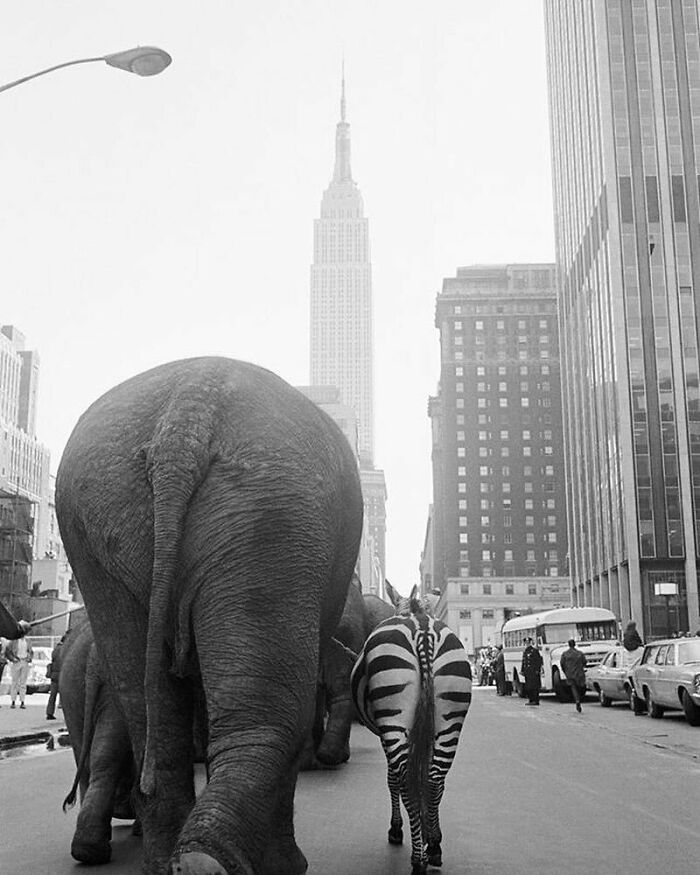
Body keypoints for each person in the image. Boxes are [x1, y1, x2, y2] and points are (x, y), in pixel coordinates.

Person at [6, 633, 33, 709]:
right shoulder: (13, 641)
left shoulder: (28, 641)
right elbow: (8, 651)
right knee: (14, 682)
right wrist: (12, 659)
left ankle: (22, 701)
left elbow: (31, 651)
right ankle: (13, 701)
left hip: (24, 661)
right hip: (16, 661)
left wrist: (29, 658)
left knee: (23, 683)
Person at [560, 638, 587, 713]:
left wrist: (565, 671)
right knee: (580, 687)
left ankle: (577, 700)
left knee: (573, 687)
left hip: (570, 674)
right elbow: (584, 662)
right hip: (579, 673)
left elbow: (562, 664)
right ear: (574, 644)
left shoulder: (565, 654)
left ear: (569, 645)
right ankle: (579, 698)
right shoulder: (580, 653)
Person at [46, 632, 68, 720]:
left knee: (52, 695)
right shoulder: (64, 649)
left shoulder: (56, 649)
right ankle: (67, 715)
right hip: (62, 675)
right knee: (65, 696)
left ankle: (49, 712)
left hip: (54, 675)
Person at [521, 637, 543, 705]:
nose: (527, 644)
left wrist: (537, 670)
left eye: (528, 642)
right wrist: (522, 670)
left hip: (533, 672)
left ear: (530, 643)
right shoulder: (525, 651)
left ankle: (535, 700)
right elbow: (524, 662)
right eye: (526, 643)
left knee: (534, 687)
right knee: (528, 687)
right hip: (528, 672)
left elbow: (538, 661)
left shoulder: (534, 651)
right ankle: (531, 700)